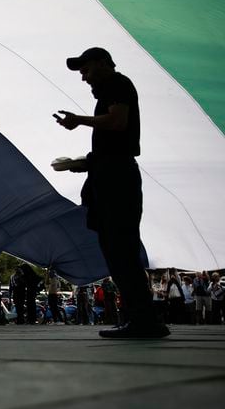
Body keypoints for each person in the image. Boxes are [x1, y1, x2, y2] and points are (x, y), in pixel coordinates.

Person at [55, 47, 169, 338]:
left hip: (118, 180)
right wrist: (78, 164)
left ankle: (143, 322)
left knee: (122, 250)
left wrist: (78, 120)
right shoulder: (110, 90)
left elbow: (118, 123)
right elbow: (109, 149)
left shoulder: (118, 85)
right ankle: (140, 319)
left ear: (104, 64)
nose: (83, 77)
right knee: (117, 251)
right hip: (110, 176)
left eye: (86, 69)